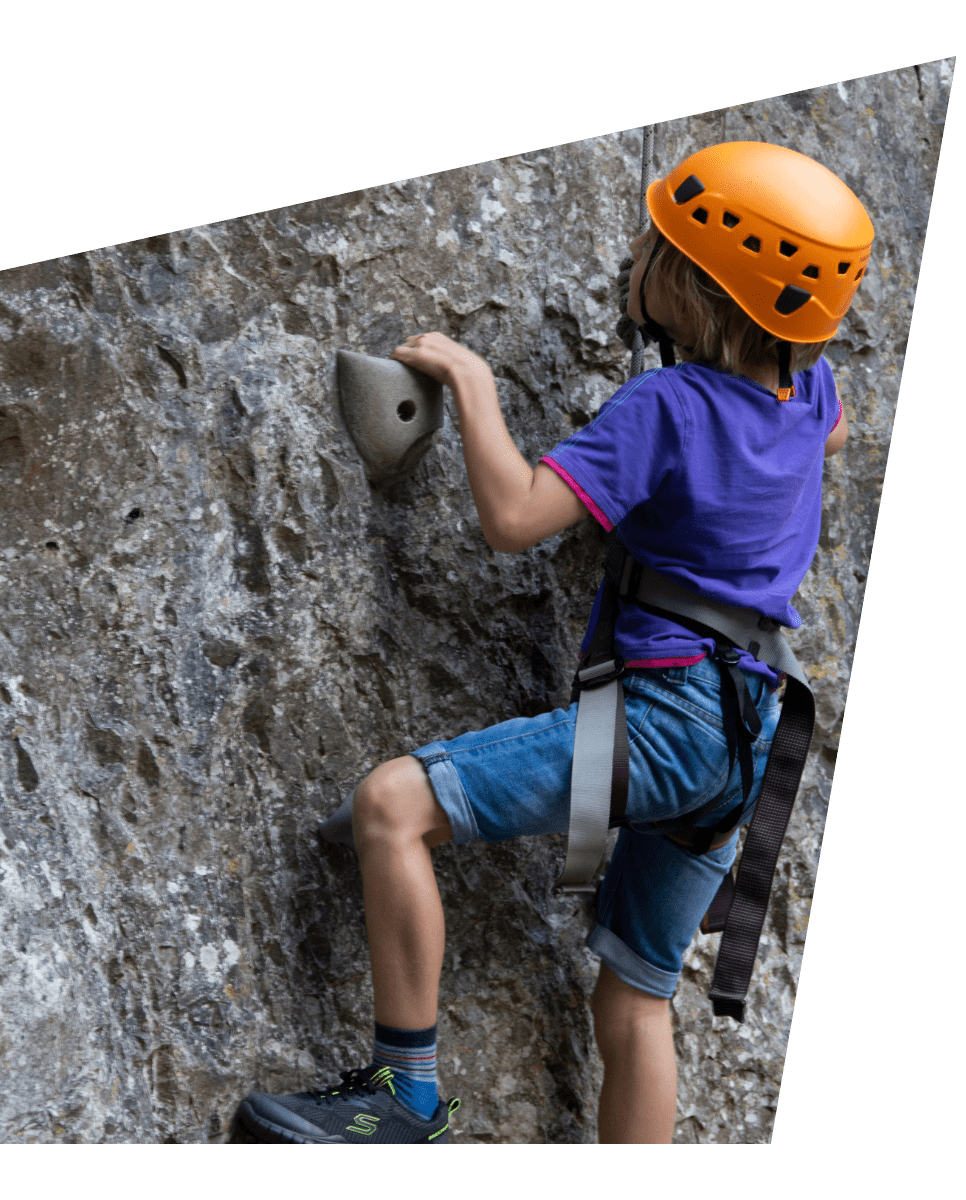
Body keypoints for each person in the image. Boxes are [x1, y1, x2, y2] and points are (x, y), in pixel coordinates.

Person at [235, 141, 871, 1144]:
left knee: (392, 805)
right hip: (748, 744)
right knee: (634, 1001)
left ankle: (406, 1100)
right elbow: (825, 438)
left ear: (694, 287)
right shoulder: (812, 396)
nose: (635, 249)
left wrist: (473, 385)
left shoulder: (667, 407)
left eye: (655, 240)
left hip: (667, 722)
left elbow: (514, 517)